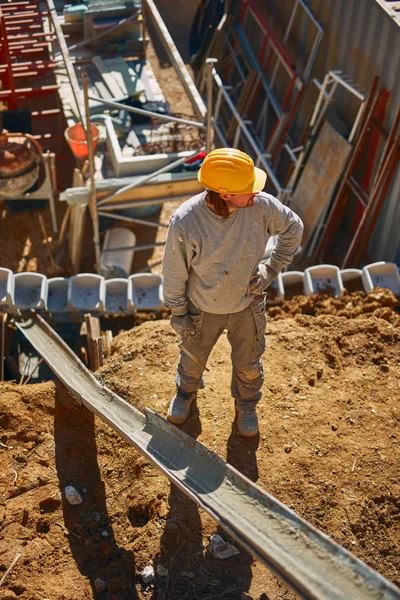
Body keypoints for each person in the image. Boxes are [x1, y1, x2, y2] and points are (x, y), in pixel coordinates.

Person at [162, 148, 303, 437]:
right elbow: (174, 272)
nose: (256, 192)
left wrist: (272, 268)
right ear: (224, 194)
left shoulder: (261, 207)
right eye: (247, 188)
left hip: (246, 305)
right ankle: (185, 394)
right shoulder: (187, 221)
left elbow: (293, 228)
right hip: (201, 308)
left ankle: (247, 405)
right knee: (192, 357)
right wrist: (178, 312)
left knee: (249, 361)